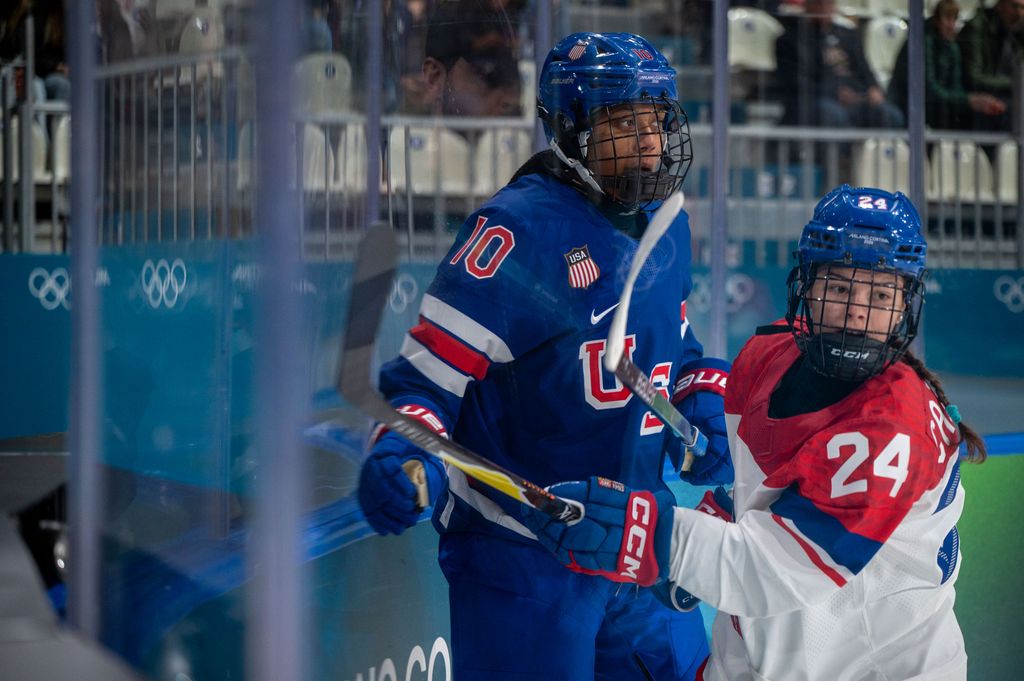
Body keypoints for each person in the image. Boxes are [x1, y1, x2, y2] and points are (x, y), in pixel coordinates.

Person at [356, 32, 734, 680]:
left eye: (658, 119)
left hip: (637, 542)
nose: (649, 141)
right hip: (524, 559)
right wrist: (403, 455)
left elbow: (678, 350)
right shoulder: (514, 235)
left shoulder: (666, 223)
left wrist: (704, 401)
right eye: (624, 122)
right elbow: (421, 388)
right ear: (571, 129)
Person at [523, 184, 988, 681]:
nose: (857, 311)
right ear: (806, 287)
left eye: (879, 294)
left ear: (904, 307)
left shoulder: (894, 428)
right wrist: (719, 511)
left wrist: (648, 535)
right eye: (839, 288)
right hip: (759, 656)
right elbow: (765, 497)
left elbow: (767, 569)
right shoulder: (765, 354)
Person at [775, 0, 904, 128]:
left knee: (890, 115)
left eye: (829, 3)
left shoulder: (848, 35)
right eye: (819, 3)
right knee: (833, 114)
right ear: (807, 5)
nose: (825, 8)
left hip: (856, 98)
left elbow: (864, 69)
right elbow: (800, 84)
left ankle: (885, 149)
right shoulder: (792, 38)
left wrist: (873, 88)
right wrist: (834, 93)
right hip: (818, 101)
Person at [888, 0, 1006, 130]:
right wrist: (968, 100)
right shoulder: (922, 42)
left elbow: (956, 86)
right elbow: (928, 89)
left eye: (954, 19)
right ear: (937, 20)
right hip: (912, 105)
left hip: (941, 106)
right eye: (947, 18)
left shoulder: (952, 47)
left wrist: (971, 100)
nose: (951, 25)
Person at [958, 0, 1024, 130]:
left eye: (1023, 8)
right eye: (1014, 6)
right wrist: (1017, 84)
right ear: (1000, 6)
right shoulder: (977, 28)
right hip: (977, 103)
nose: (1019, 13)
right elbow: (974, 78)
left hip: (1007, 98)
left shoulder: (1017, 33)